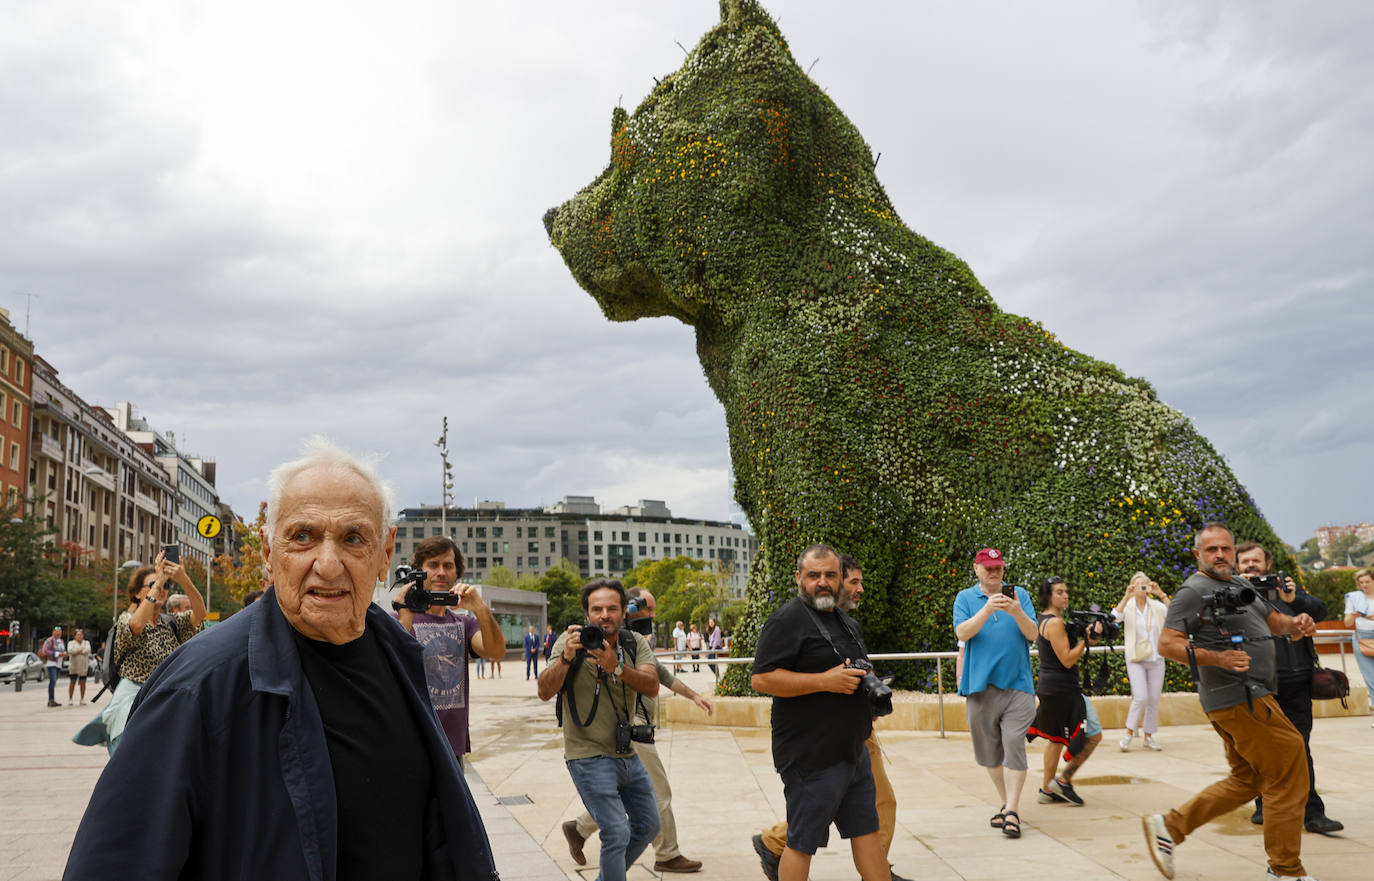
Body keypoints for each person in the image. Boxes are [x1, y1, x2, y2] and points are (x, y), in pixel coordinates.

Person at [63, 437, 497, 881]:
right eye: (303, 536)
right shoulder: (196, 688)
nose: (327, 564)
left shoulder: (401, 655)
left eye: (353, 538)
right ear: (268, 551)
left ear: (385, 553)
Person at [1141, 523, 1318, 881]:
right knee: (1288, 771)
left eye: (1225, 548)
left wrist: (1297, 624)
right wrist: (1219, 658)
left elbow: (1275, 622)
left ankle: (1170, 827)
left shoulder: (1238, 583)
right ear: (1198, 554)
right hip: (1242, 697)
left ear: (1234, 551)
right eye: (1212, 550)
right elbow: (1168, 644)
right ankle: (1285, 870)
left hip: (1247, 697)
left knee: (1248, 779)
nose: (1220, 555)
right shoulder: (1193, 591)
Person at [753, 554, 911, 881]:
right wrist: (824, 681)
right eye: (814, 575)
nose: (822, 582)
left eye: (830, 574)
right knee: (802, 843)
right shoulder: (787, 621)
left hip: (853, 750)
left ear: (839, 577)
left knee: (867, 833)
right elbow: (762, 679)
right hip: (811, 754)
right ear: (799, 577)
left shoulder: (846, 622)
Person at [563, 586, 711, 874]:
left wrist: (694, 695)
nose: (652, 615)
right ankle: (667, 852)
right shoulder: (606, 639)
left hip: (634, 731)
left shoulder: (633, 641)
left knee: (623, 796)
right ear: (630, 607)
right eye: (648, 608)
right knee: (659, 792)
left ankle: (579, 828)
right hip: (631, 729)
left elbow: (660, 675)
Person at [538, 578, 660, 881]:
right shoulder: (570, 642)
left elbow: (652, 685)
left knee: (648, 825)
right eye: (597, 609)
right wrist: (566, 658)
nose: (604, 615)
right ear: (587, 613)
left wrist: (616, 667)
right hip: (587, 755)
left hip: (626, 752)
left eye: (611, 608)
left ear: (623, 611)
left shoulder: (633, 642)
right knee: (616, 831)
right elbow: (544, 690)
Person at [1237, 542, 1342, 834]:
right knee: (1263, 750)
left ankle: (1313, 812)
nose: (1251, 566)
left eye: (1256, 561)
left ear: (1267, 564)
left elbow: (1320, 610)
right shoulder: (1234, 593)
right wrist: (1238, 592)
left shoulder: (1285, 589)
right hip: (1258, 686)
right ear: (1237, 566)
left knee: (1299, 748)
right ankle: (1265, 803)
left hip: (1296, 682)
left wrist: (1295, 599)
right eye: (1245, 562)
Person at [393, 535, 506, 769]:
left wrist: (480, 608)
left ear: (457, 572)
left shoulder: (465, 623)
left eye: (448, 565)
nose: (441, 572)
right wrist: (404, 616)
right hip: (411, 746)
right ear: (419, 572)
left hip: (452, 746)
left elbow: (495, 651)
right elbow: (389, 666)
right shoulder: (401, 618)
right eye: (433, 565)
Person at [75, 552, 206, 753]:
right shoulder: (126, 619)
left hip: (164, 697)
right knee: (129, 755)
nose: (161, 588)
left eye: (165, 585)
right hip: (132, 699)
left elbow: (200, 613)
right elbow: (136, 625)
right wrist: (159, 581)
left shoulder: (170, 623)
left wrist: (183, 578)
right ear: (137, 593)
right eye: (152, 584)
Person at [953, 547, 1037, 839]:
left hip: (1018, 685)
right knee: (989, 754)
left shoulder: (1020, 595)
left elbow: (1033, 634)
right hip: (979, 686)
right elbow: (962, 633)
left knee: (1014, 743)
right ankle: (1006, 802)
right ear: (976, 569)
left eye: (998, 567)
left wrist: (1017, 611)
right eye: (988, 568)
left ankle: (1011, 810)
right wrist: (987, 609)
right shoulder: (965, 598)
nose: (993, 572)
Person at [1028, 576, 1103, 807]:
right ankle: (1063, 780)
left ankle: (1046, 789)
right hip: (1063, 690)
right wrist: (1086, 641)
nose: (1065, 595)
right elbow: (1067, 659)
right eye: (1059, 592)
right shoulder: (1055, 623)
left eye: (1066, 591)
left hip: (1050, 688)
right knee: (1094, 735)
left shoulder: (1043, 619)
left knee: (1056, 739)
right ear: (1048, 596)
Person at [1113, 571, 1170, 751]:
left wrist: (1160, 593)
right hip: (1135, 658)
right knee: (1140, 697)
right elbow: (1114, 618)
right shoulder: (1128, 607)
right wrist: (1126, 596)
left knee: (1153, 699)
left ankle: (1149, 736)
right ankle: (1129, 733)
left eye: (1143, 584)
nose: (1140, 588)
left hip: (1156, 658)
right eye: (1137, 585)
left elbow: (1175, 613)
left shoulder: (1156, 606)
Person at [1343, 568, 1374, 723]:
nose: (1364, 585)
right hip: (1362, 639)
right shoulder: (1354, 598)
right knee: (1371, 679)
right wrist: (1354, 615)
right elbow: (1347, 623)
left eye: (1367, 582)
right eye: (1361, 582)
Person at [40, 626, 65, 707]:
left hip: (59, 664)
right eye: (57, 631)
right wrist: (56, 654)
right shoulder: (50, 640)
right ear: (53, 632)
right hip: (52, 663)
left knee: (54, 682)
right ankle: (51, 700)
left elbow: (62, 650)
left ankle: (52, 700)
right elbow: (45, 650)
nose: (58, 633)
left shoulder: (61, 641)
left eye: (60, 631)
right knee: (52, 681)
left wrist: (64, 654)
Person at [66, 628, 92, 705]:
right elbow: (70, 650)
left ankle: (82, 699)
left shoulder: (86, 642)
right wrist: (79, 651)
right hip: (74, 666)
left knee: (83, 682)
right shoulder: (71, 643)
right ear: (75, 636)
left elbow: (88, 650)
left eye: (81, 635)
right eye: (78, 635)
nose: (79, 636)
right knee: (72, 682)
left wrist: (78, 651)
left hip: (83, 666)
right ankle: (70, 699)